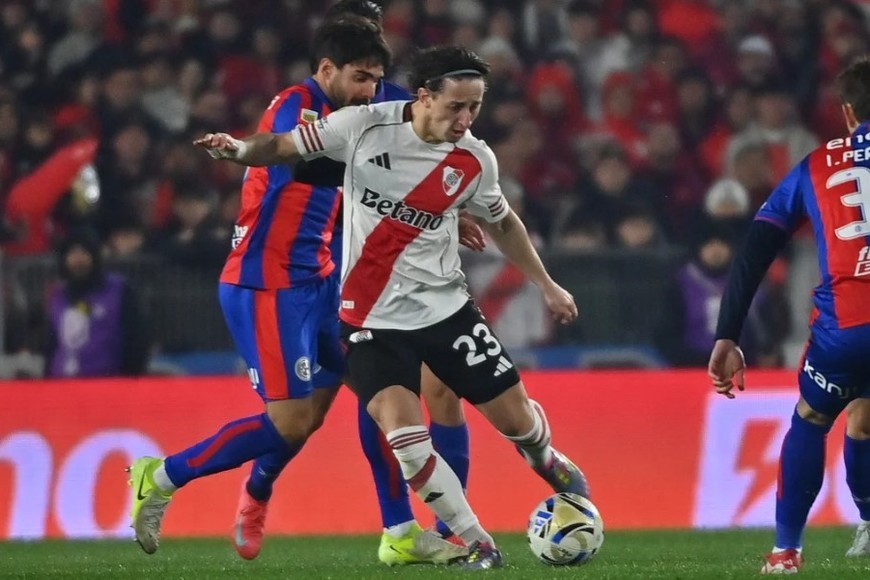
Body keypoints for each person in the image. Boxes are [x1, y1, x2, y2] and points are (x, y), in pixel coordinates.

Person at [195, 45, 590, 570]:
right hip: (370, 323)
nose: (465, 119)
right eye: (457, 107)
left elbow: (503, 223)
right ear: (424, 97)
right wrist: (239, 152)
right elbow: (283, 146)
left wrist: (548, 284)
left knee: (521, 426)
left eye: (475, 108)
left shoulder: (475, 160)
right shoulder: (363, 125)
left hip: (447, 314)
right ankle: (476, 541)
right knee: (407, 442)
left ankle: (549, 462)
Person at [124, 18, 400, 558]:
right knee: (291, 423)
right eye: (361, 78)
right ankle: (161, 476)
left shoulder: (358, 110)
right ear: (327, 68)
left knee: (377, 395)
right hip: (266, 283)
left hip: (318, 277)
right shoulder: (295, 108)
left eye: (376, 81)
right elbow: (293, 161)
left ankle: (396, 532)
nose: (371, 92)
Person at [229, 1, 477, 565]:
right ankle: (257, 488)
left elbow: (429, 142)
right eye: (360, 54)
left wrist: (447, 206)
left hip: (349, 268)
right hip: (283, 275)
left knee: (404, 393)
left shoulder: (385, 97)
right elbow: (306, 165)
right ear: (329, 60)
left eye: (377, 40)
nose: (371, 79)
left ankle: (422, 528)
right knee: (303, 419)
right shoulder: (298, 106)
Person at [708, 56, 870, 575]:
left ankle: (785, 551)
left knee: (814, 417)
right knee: (865, 417)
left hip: (846, 329)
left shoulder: (817, 165)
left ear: (847, 113)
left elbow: (756, 249)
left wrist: (727, 334)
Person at [44, 227, 149, 377]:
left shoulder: (119, 291)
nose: (78, 259)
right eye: (72, 253)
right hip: (62, 385)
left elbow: (137, 338)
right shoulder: (60, 295)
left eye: (84, 253)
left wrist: (131, 380)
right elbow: (52, 343)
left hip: (106, 384)